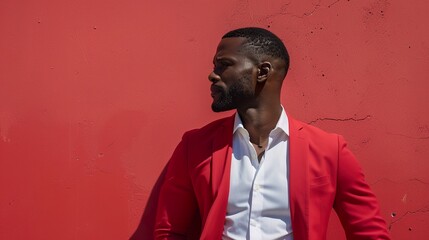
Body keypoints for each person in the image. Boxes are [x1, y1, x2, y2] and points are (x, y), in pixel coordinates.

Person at [153, 27, 390, 240]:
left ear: (263, 71)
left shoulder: (330, 150)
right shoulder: (195, 146)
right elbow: (171, 232)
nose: (213, 75)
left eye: (224, 65)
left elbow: (369, 232)